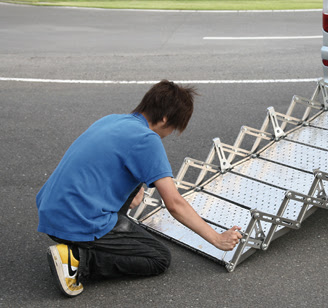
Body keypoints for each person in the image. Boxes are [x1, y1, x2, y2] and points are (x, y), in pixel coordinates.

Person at [36, 80, 242, 297]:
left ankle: (89, 241)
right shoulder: (147, 140)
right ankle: (78, 260)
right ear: (165, 118)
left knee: (135, 186)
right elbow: (174, 203)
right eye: (175, 126)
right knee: (158, 258)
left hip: (52, 212)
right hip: (76, 221)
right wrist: (217, 239)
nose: (171, 132)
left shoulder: (112, 120)